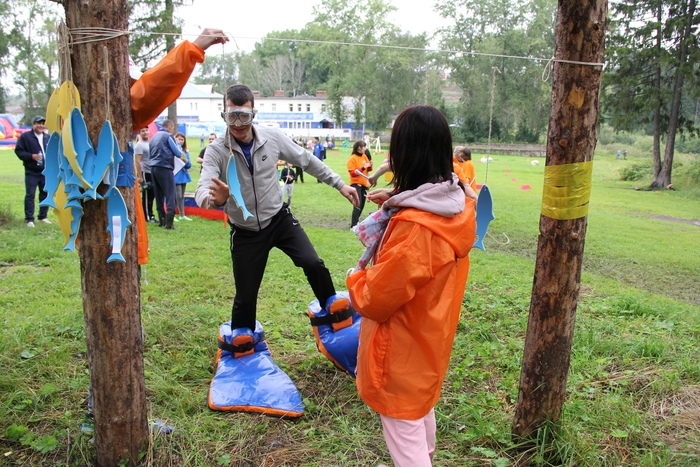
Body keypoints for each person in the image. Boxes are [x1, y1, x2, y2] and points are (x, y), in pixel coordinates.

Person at [346, 105, 476, 467]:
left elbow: (376, 298)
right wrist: (399, 202)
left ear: (405, 153)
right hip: (429, 340)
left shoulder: (416, 228)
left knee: (405, 430)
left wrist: (355, 280)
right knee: (418, 411)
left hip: (400, 349)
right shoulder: (458, 203)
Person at [194, 84, 359, 347]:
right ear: (224, 115)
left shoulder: (272, 138)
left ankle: (333, 308)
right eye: (231, 116)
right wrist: (215, 200)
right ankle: (242, 344)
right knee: (246, 296)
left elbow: (306, 160)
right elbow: (203, 187)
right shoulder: (217, 150)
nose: (237, 124)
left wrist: (339, 184)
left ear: (253, 114)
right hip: (246, 232)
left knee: (312, 262)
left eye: (243, 116)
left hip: (279, 220)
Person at [15, 116, 51, 227]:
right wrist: (31, 156)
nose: (40, 125)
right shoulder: (26, 137)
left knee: (45, 193)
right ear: (33, 124)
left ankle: (43, 216)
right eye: (38, 123)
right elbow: (19, 151)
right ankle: (29, 219)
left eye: (42, 123)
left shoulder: (47, 137)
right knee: (30, 195)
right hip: (32, 171)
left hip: (45, 171)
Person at [149, 119, 186, 229]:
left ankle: (161, 220)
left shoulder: (154, 137)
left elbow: (150, 153)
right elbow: (177, 153)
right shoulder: (168, 136)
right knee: (170, 194)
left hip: (153, 167)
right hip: (164, 167)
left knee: (158, 194)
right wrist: (180, 150)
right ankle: (169, 223)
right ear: (170, 127)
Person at [346, 140, 372, 227]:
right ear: (359, 148)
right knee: (358, 204)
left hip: (364, 184)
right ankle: (353, 225)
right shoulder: (352, 159)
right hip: (356, 184)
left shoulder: (364, 156)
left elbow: (369, 169)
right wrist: (363, 167)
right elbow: (352, 173)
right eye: (364, 146)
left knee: (362, 205)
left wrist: (370, 165)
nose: (365, 148)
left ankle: (356, 223)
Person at [134, 127, 156, 223]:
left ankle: (151, 215)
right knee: (147, 196)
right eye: (143, 131)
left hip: (152, 171)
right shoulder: (139, 145)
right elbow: (137, 161)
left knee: (152, 195)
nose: (145, 132)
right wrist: (140, 176)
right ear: (139, 133)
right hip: (145, 172)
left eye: (146, 130)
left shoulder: (150, 143)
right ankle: (146, 216)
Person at [173, 132, 193, 222]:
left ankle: (182, 214)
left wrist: (185, 160)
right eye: (178, 139)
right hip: (175, 176)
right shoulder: (173, 150)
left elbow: (189, 165)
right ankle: (172, 213)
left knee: (181, 196)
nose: (180, 141)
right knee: (177, 195)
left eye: (182, 139)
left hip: (183, 175)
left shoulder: (185, 152)